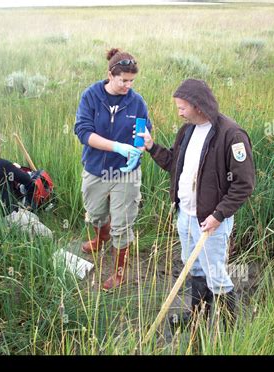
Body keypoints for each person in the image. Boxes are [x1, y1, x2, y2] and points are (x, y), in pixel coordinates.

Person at [139, 79, 255, 329]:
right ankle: (197, 317)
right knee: (195, 268)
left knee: (216, 275)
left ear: (198, 106)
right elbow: (174, 164)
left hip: (211, 222)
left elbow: (244, 184)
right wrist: (151, 146)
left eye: (182, 107)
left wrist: (218, 215)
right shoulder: (187, 130)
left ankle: (227, 328)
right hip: (185, 216)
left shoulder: (231, 135)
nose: (179, 112)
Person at [74, 48, 152, 291]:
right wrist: (117, 147)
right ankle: (101, 236)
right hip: (96, 169)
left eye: (132, 81)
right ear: (110, 74)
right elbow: (84, 133)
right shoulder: (91, 96)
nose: (128, 85)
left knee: (122, 225)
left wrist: (139, 147)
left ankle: (119, 273)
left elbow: (143, 131)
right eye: (123, 80)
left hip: (126, 173)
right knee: (95, 214)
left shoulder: (136, 102)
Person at [0, 128, 53, 238]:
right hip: (6, 217)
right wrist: (28, 205)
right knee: (48, 235)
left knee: (33, 218)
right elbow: (30, 182)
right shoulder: (3, 164)